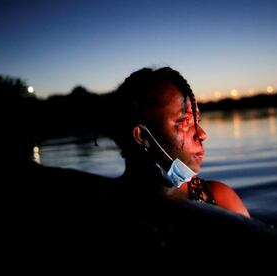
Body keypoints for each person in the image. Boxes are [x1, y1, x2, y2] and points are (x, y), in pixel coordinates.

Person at [105, 67, 250, 217]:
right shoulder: (104, 204)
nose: (202, 134)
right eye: (185, 121)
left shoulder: (221, 200)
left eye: (197, 120)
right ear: (142, 136)